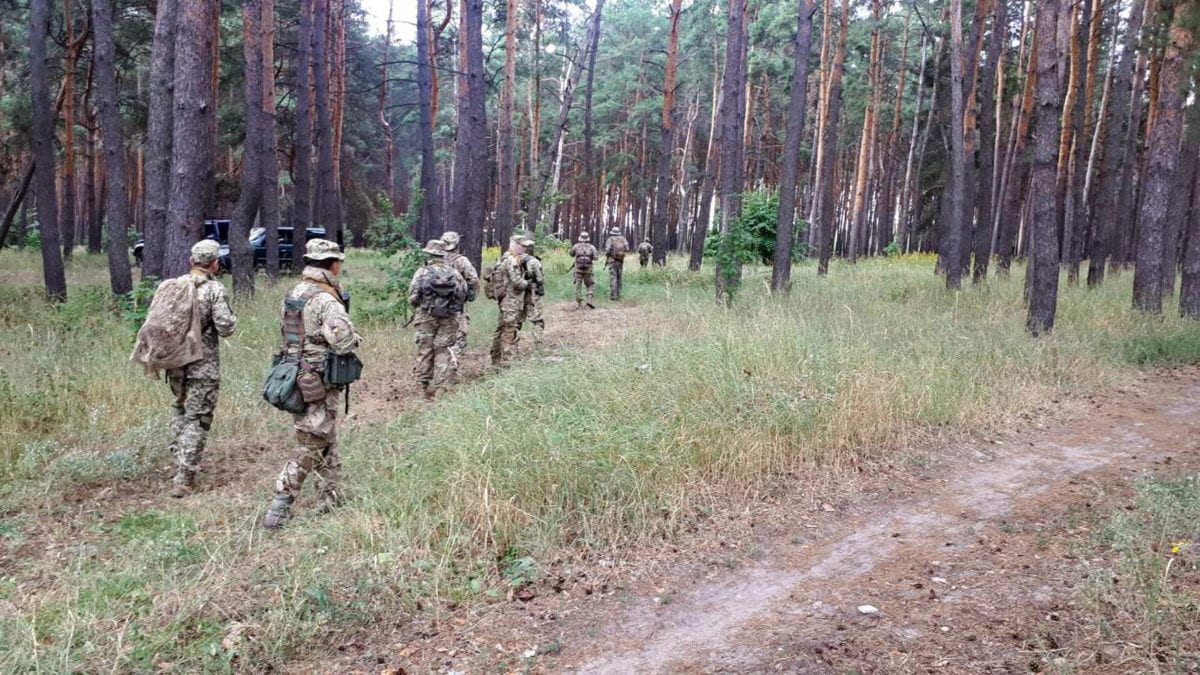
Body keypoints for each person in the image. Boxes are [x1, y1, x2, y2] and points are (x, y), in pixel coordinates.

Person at [263, 239, 361, 530]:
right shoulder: (326, 299)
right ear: (332, 265)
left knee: (325, 436)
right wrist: (356, 339)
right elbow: (342, 341)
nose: (340, 268)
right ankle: (280, 505)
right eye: (338, 263)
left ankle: (332, 496)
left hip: (294, 373)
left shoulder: (295, 292)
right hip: (316, 378)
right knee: (312, 441)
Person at [153, 240, 238, 498]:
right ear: (215, 264)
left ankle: (179, 460)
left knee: (179, 409)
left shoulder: (173, 286)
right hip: (204, 366)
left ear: (191, 261)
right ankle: (184, 477)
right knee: (198, 418)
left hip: (175, 362)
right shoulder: (214, 290)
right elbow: (225, 327)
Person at [409, 240, 467, 399]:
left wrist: (422, 307)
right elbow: (463, 294)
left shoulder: (421, 272)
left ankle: (422, 389)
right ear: (444, 254)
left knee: (425, 351)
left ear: (429, 254)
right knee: (443, 351)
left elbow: (412, 297)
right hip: (448, 319)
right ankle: (440, 389)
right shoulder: (454, 273)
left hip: (425, 317)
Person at [489, 235, 531, 366]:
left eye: (526, 246)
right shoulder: (511, 260)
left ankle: (496, 360)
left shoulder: (507, 258)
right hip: (510, 300)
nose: (525, 248)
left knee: (502, 328)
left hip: (506, 300)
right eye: (522, 246)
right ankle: (506, 362)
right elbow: (517, 282)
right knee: (509, 330)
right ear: (514, 244)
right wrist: (529, 283)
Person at [439, 231, 479, 362]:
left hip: (435, 306)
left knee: (441, 337)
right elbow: (473, 279)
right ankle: (450, 364)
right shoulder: (461, 261)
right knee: (459, 337)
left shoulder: (434, 259)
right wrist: (469, 294)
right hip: (456, 306)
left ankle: (439, 364)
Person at [520, 236, 546, 343]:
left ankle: (512, 340)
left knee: (519, 316)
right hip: (533, 290)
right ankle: (537, 339)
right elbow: (539, 278)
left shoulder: (516, 259)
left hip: (519, 291)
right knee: (537, 316)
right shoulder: (533, 261)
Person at [569, 231, 599, 309]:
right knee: (590, 284)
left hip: (578, 269)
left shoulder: (576, 246)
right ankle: (589, 300)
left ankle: (579, 303)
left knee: (578, 285)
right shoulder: (592, 247)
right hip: (588, 269)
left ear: (580, 238)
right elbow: (596, 258)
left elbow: (571, 254)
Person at [604, 227, 630, 300]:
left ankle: (613, 296)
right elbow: (627, 248)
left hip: (612, 261)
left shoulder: (610, 239)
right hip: (620, 261)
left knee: (613, 277)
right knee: (619, 277)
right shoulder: (623, 239)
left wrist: (608, 255)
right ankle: (618, 294)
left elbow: (608, 250)